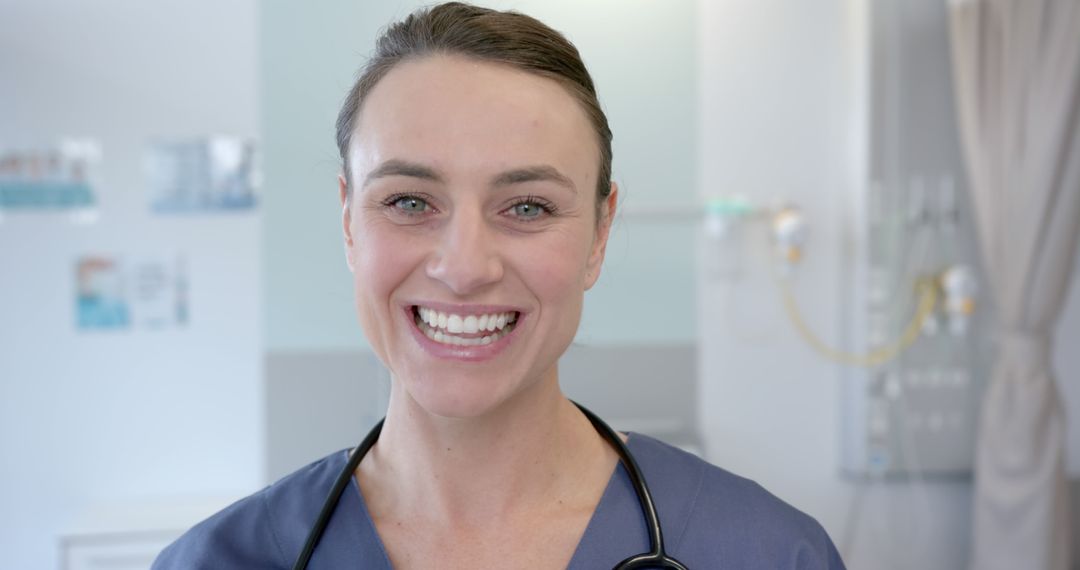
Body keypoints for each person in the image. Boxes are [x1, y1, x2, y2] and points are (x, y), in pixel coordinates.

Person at [153, 3, 845, 568]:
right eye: (409, 202)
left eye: (528, 207)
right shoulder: (217, 561)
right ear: (347, 220)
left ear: (600, 235)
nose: (464, 267)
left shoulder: (767, 554)